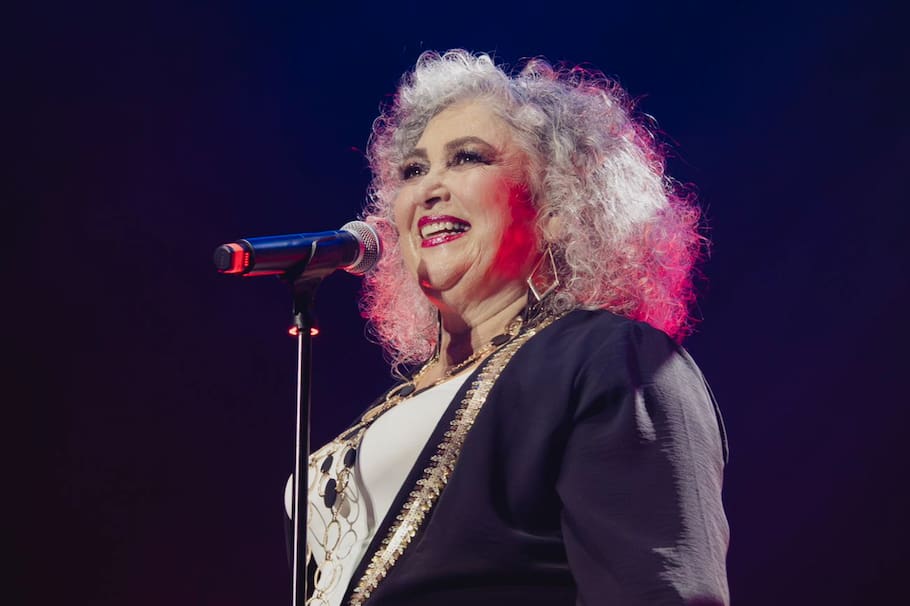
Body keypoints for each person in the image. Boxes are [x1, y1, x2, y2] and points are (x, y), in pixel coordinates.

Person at [286, 49, 729, 606]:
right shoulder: (396, 404)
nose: (429, 188)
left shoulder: (607, 358)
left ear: (556, 206)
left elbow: (661, 590)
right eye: (414, 170)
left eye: (467, 158)